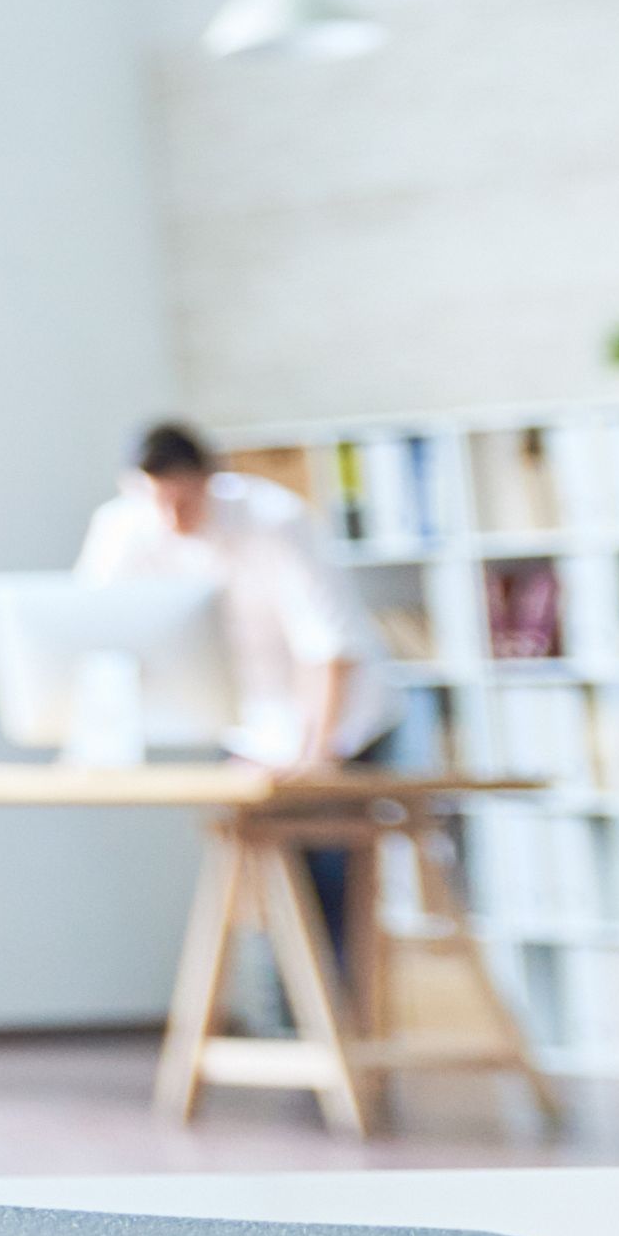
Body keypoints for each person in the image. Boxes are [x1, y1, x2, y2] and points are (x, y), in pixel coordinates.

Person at [83, 415, 401, 983]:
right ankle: (290, 1036)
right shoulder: (123, 529)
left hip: (338, 724)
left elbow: (330, 650)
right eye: (155, 501)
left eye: (183, 500)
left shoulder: (274, 521)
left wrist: (316, 756)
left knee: (332, 890)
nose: (171, 518)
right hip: (248, 729)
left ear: (210, 481)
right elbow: (97, 637)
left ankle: (348, 1049)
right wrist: (96, 745)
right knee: (268, 898)